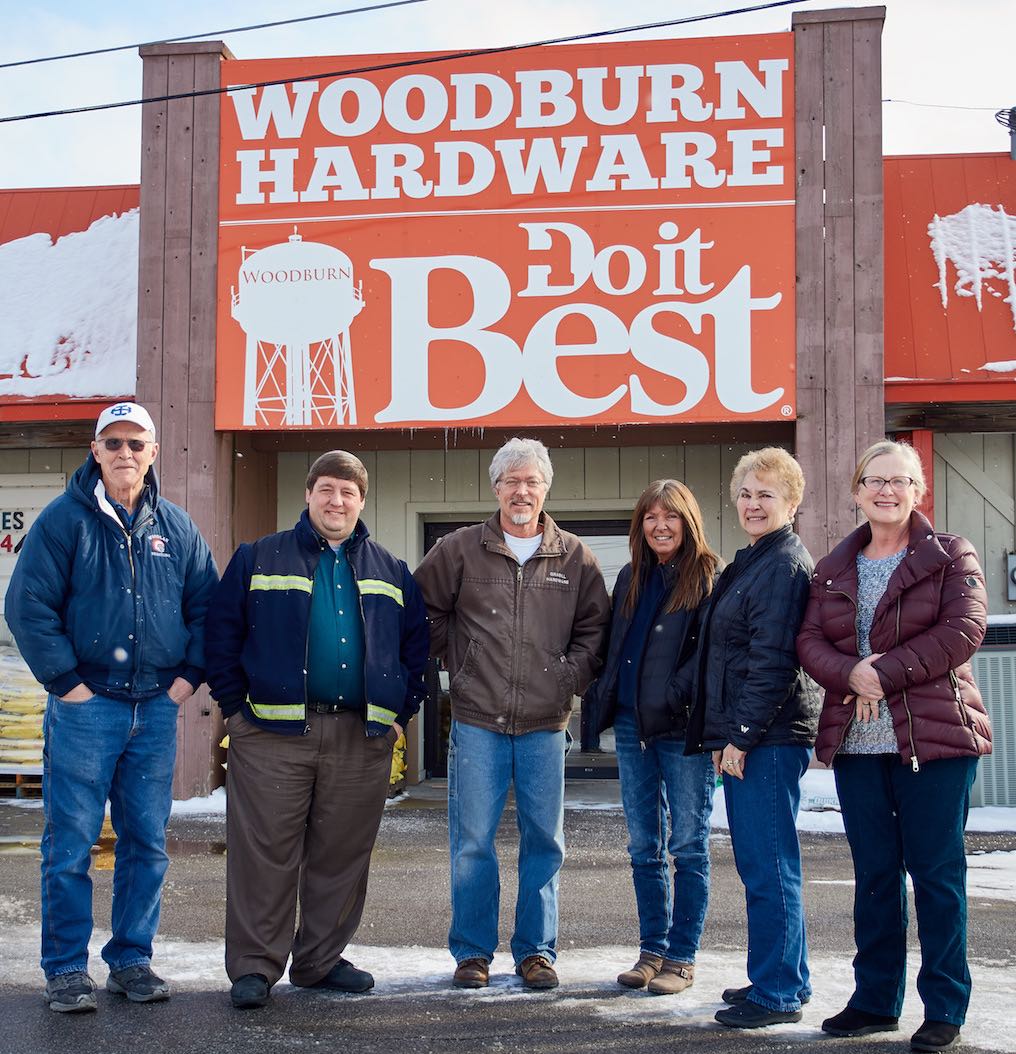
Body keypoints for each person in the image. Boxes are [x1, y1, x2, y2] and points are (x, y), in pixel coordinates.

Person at [4, 402, 218, 1013]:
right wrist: (68, 683)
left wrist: (185, 682)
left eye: (136, 443)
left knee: (146, 841)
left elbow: (207, 608)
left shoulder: (175, 527)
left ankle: (131, 960)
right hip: (85, 708)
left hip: (154, 709)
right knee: (70, 842)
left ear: (154, 452)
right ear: (95, 451)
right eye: (113, 442)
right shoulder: (63, 521)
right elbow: (28, 607)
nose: (125, 453)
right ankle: (67, 969)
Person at [205, 450, 429, 1010]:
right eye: (327, 489)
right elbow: (221, 636)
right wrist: (236, 711)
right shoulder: (259, 556)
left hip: (361, 737)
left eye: (348, 492)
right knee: (264, 854)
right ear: (308, 494)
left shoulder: (392, 569)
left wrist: (399, 718)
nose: (337, 501)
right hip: (272, 737)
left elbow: (416, 651)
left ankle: (320, 960)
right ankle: (255, 967)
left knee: (342, 855)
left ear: (361, 500)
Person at [797, 440, 991, 1054]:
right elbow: (807, 640)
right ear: (856, 491)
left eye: (899, 480)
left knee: (936, 875)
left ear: (918, 491)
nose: (886, 491)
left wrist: (883, 673)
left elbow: (964, 630)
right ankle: (876, 1000)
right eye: (874, 481)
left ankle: (944, 1006)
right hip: (860, 744)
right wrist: (850, 673)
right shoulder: (832, 568)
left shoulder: (950, 555)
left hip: (933, 741)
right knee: (876, 877)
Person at [414, 437, 610, 991]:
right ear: (495, 486)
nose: (521, 491)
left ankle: (536, 952)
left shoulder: (574, 556)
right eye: (511, 481)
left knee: (544, 842)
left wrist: (567, 677)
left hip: (546, 727)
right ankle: (473, 952)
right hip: (477, 721)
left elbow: (595, 632)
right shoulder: (459, 549)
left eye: (531, 481)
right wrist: (458, 655)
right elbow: (421, 611)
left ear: (546, 488)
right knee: (473, 841)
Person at [684, 446, 818, 1028]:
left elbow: (773, 661)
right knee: (763, 864)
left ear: (791, 502)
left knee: (769, 866)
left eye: (767, 494)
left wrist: (738, 737)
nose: (753, 503)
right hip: (750, 737)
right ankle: (782, 974)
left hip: (768, 739)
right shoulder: (755, 561)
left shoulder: (784, 566)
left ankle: (779, 990)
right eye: (746, 493)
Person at [584, 480, 720, 995]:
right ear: (640, 525)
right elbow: (615, 647)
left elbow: (708, 656)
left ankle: (681, 958)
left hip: (682, 730)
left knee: (688, 844)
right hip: (631, 727)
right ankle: (652, 951)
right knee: (644, 844)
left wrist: (673, 698)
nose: (661, 526)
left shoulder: (708, 574)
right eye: (651, 517)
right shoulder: (630, 577)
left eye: (672, 516)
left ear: (689, 521)